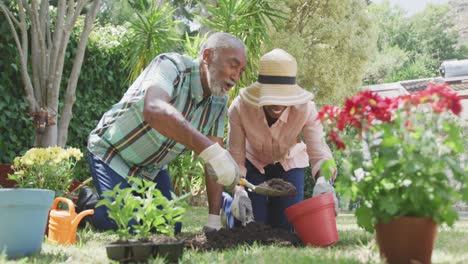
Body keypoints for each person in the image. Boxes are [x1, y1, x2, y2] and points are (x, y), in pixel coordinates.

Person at [86, 32, 247, 232]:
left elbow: (213, 162)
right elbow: (153, 109)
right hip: (113, 154)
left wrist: (214, 220)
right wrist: (211, 151)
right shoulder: (171, 66)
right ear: (207, 56)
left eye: (241, 71)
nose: (236, 77)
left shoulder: (219, 101)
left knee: (170, 226)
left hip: (150, 170)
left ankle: (113, 203)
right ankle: (89, 204)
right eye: (233, 65)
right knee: (127, 224)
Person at [224, 49, 337, 231]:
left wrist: (324, 181)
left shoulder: (306, 109)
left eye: (283, 96)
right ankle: (228, 206)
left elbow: (319, 151)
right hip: (253, 163)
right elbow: (236, 156)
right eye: (272, 96)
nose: (277, 104)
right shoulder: (240, 108)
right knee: (251, 224)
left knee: (285, 228)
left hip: (288, 161)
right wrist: (238, 190)